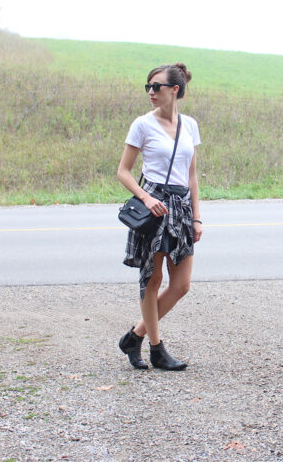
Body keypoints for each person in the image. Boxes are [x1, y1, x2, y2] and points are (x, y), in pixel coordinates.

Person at [116, 63, 203, 371]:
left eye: (157, 87)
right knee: (152, 280)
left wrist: (196, 217)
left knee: (181, 285)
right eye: (148, 87)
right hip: (154, 205)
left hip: (180, 209)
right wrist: (146, 197)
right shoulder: (142, 124)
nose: (151, 92)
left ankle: (134, 336)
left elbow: (191, 176)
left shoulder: (189, 125)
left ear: (174, 90)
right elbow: (123, 171)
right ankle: (155, 348)